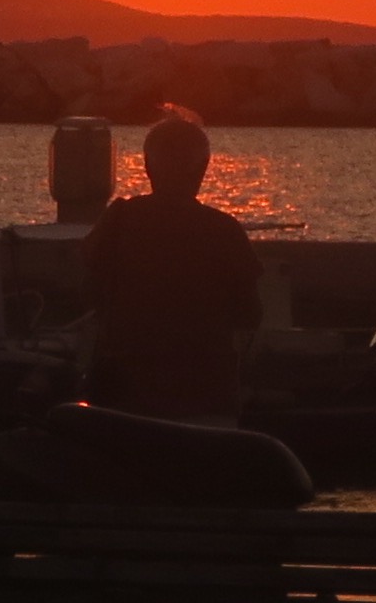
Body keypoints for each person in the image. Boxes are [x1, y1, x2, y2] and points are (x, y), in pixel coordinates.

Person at [83, 111, 262, 421]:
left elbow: (88, 288)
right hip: (206, 394)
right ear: (203, 169)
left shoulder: (119, 219)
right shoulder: (225, 230)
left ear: (147, 166)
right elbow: (250, 314)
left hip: (128, 394)